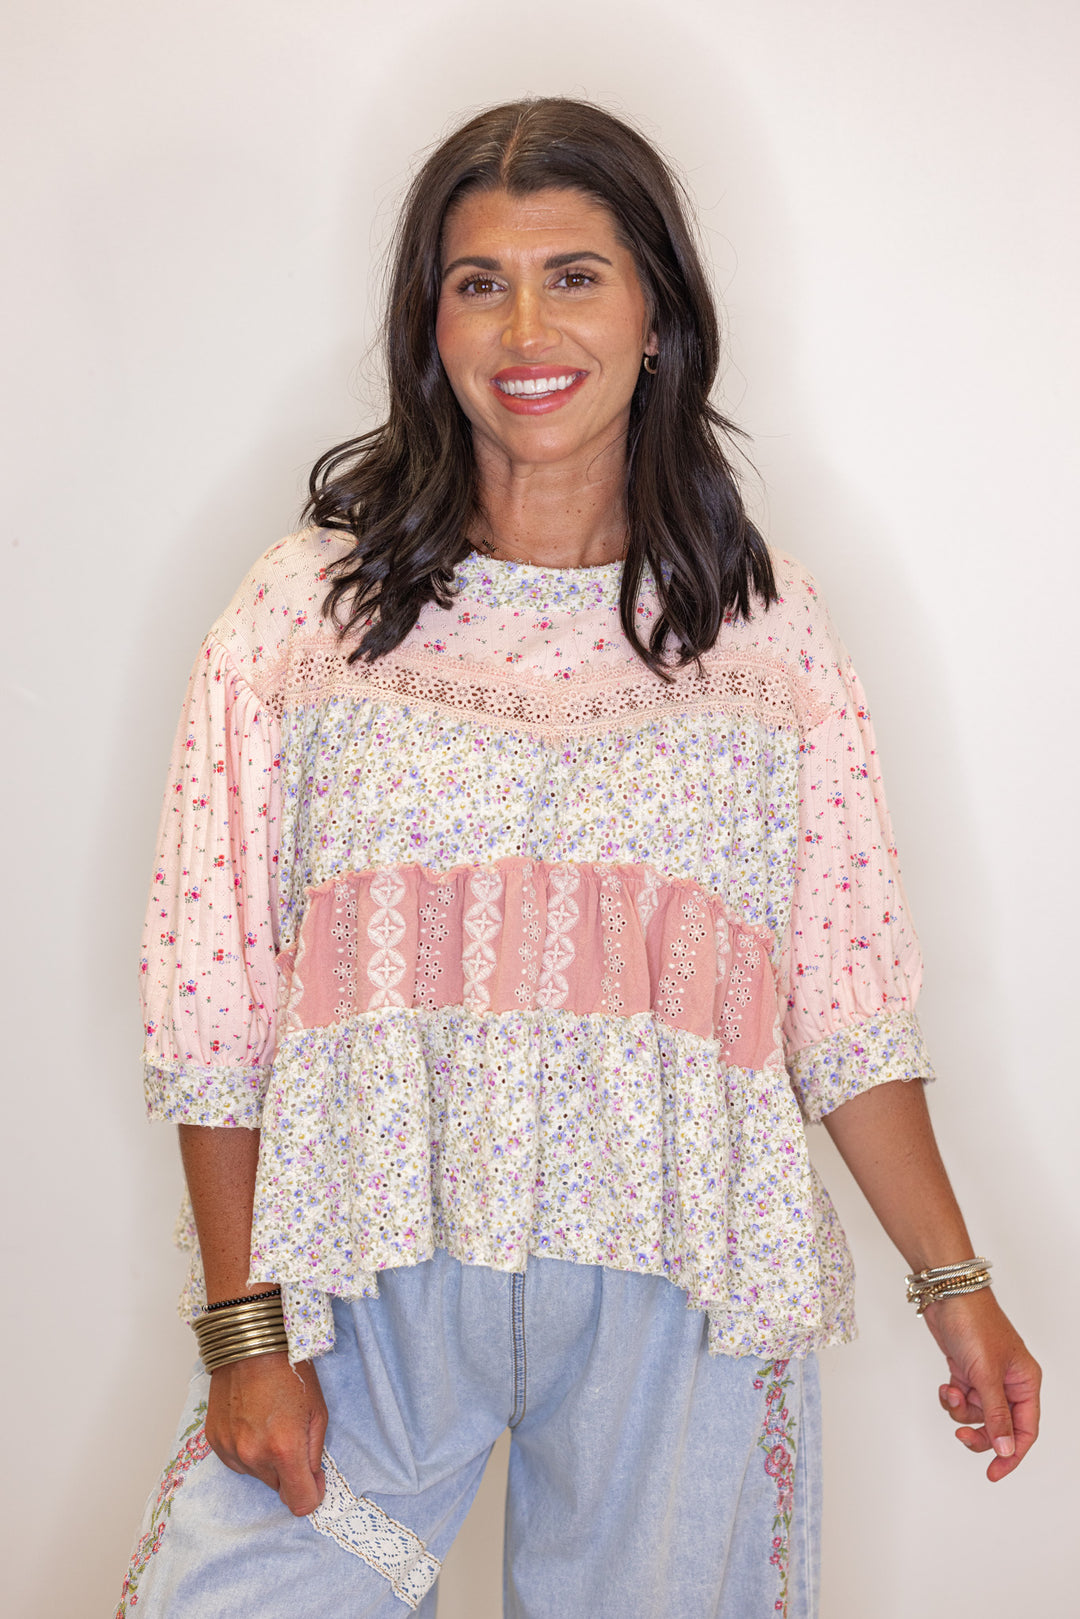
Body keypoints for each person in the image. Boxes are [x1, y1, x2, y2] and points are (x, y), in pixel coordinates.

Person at [118, 98, 1041, 1619]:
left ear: (657, 315)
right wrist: (244, 1334)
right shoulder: (306, 618)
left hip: (684, 1293)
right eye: (479, 282)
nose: (526, 328)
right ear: (430, 327)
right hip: (369, 1280)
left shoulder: (766, 638)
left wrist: (958, 1287)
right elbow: (214, 1009)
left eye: (575, 276)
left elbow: (843, 1008)